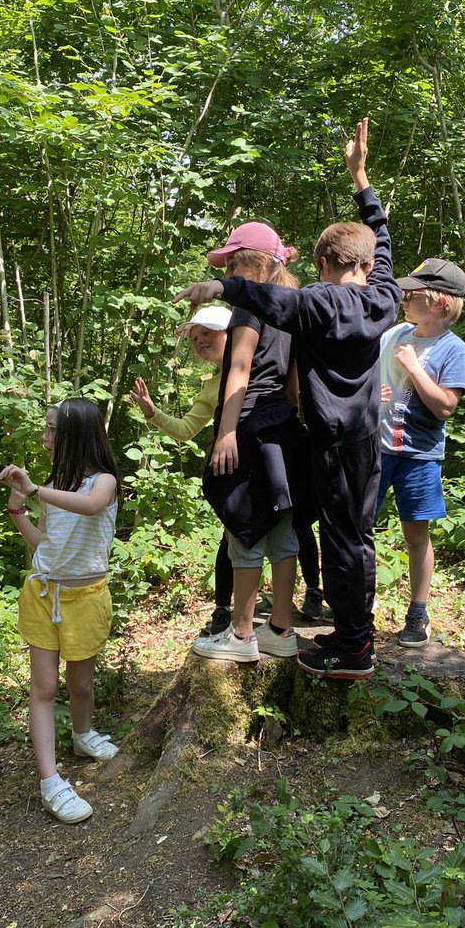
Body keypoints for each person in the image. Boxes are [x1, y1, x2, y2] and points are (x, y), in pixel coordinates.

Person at [175, 118, 399, 679]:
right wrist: (361, 179)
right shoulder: (385, 297)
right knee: (353, 535)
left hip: (331, 440)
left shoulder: (320, 304)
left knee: (342, 539)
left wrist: (222, 288)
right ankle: (347, 637)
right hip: (367, 437)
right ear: (367, 265)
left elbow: (272, 305)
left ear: (323, 266)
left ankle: (353, 648)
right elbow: (384, 241)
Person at [130, 307, 327, 634]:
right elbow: (186, 429)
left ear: (230, 332)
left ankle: (271, 626)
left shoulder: (265, 365)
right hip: (242, 470)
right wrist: (153, 414)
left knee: (285, 537)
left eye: (205, 332)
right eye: (194, 338)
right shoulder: (211, 387)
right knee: (242, 541)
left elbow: (299, 398)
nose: (198, 341)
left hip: (275, 459)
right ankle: (248, 624)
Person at [189, 222, 313, 663]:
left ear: (257, 263)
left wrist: (225, 433)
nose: (232, 273)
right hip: (281, 429)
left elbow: (238, 371)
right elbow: (295, 382)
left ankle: (241, 636)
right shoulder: (293, 307)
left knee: (243, 528)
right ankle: (280, 628)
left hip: (248, 428)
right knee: (282, 529)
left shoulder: (249, 308)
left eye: (236, 263)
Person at [0, 399, 120, 825]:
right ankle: (51, 782)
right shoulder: (52, 486)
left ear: (76, 436)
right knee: (45, 688)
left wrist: (33, 491)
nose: (45, 438)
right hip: (43, 596)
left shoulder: (103, 482)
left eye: (52, 430)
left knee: (81, 686)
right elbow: (45, 544)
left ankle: (83, 734)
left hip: (86, 601)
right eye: (45, 429)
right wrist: (18, 510)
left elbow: (90, 506)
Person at [376, 258, 465, 647]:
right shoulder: (394, 333)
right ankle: (355, 605)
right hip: (376, 450)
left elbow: (446, 407)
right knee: (359, 526)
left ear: (439, 304)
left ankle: (418, 612)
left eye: (412, 293)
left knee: (416, 534)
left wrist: (415, 369)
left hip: (419, 456)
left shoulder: (453, 348)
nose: (404, 297)